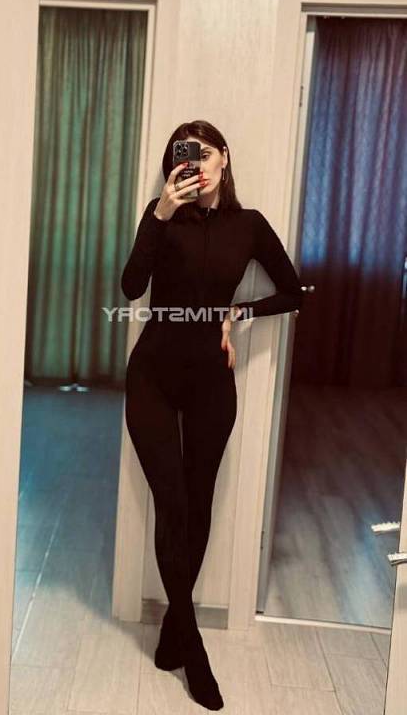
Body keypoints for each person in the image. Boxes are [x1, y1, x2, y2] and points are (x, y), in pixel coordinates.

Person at [121, 120, 304, 710]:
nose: (194, 163)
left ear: (224, 157)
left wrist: (238, 314)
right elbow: (130, 289)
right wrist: (160, 215)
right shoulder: (162, 215)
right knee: (172, 503)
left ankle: (174, 629)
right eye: (184, 154)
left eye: (203, 153)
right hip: (151, 377)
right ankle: (193, 647)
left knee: (197, 503)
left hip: (210, 384)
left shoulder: (248, 226)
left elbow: (293, 293)